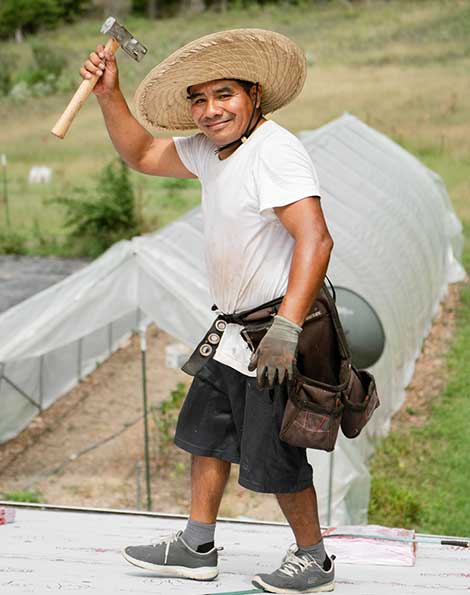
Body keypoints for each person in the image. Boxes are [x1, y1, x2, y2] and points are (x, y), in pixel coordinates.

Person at [80, 28, 335, 594]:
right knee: (206, 432)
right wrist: (108, 94)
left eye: (225, 94)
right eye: (199, 98)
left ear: (254, 95)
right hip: (234, 328)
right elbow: (144, 153)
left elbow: (315, 240)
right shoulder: (211, 149)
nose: (210, 109)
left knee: (275, 451)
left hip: (277, 328)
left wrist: (288, 329)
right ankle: (197, 546)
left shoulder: (275, 151)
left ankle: (314, 558)